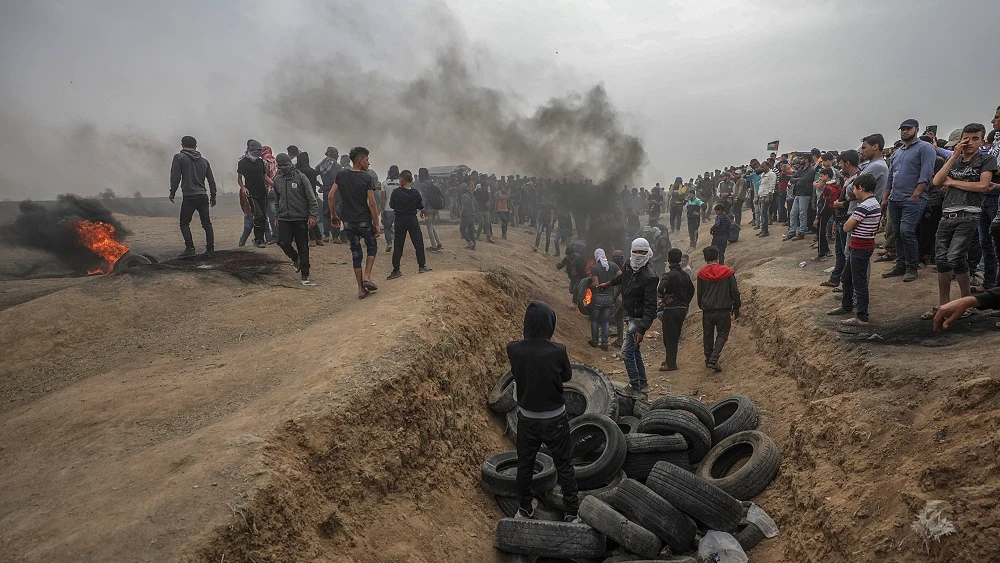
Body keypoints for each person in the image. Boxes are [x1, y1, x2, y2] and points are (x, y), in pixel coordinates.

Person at [508, 301, 580, 523]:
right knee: (564, 465)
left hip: (527, 419)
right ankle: (571, 513)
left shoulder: (513, 348)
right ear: (549, 323)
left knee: (525, 465)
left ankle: (524, 509)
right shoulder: (558, 351)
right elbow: (567, 376)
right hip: (555, 419)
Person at [925, 124, 997, 320]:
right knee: (941, 260)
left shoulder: (986, 159)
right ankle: (944, 304)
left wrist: (953, 182)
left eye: (975, 138)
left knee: (956, 257)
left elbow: (982, 186)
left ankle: (965, 301)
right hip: (947, 214)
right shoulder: (954, 160)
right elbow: (937, 181)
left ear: (982, 141)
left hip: (969, 214)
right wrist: (955, 155)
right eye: (967, 138)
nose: (970, 142)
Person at [597, 238, 658, 398]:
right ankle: (642, 384)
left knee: (626, 352)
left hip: (638, 319)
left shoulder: (650, 276)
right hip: (630, 315)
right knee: (634, 350)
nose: (638, 255)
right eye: (636, 252)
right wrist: (608, 284)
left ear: (647, 253)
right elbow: (623, 277)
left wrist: (642, 329)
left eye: (642, 252)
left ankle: (634, 387)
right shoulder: (629, 264)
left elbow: (651, 307)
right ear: (631, 251)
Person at [884, 119, 936, 282]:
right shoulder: (898, 151)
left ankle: (912, 267)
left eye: (908, 129)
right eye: (903, 129)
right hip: (895, 198)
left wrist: (917, 194)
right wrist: (885, 197)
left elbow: (926, 172)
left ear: (917, 129)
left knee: (907, 231)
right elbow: (891, 176)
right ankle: (900, 265)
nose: (905, 132)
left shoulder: (925, 148)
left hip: (913, 198)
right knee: (897, 233)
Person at [828, 174, 881, 326]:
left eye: (855, 189)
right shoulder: (874, 203)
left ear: (861, 188)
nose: (853, 193)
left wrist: (851, 224)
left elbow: (847, 227)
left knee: (859, 281)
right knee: (847, 277)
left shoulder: (864, 206)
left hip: (860, 246)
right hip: (862, 245)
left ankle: (862, 317)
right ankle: (846, 306)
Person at [329, 147, 381, 300]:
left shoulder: (341, 175)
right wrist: (377, 224)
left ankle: (360, 289)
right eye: (367, 160)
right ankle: (367, 276)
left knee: (356, 253)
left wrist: (333, 215)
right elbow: (372, 203)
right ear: (360, 161)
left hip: (348, 222)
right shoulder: (367, 178)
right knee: (372, 246)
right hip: (364, 220)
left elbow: (331, 196)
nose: (368, 163)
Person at [272, 153, 320, 286]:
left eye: (285, 165)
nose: (282, 167)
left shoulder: (301, 178)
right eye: (279, 165)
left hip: (300, 218)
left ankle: (305, 275)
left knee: (303, 246)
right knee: (282, 242)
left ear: (290, 164)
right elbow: (277, 200)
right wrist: (276, 215)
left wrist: (312, 216)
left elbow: (312, 198)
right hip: (284, 218)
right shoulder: (277, 179)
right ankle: (295, 258)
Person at [169, 135, 217, 258]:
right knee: (207, 223)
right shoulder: (204, 161)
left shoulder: (179, 157)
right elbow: (211, 180)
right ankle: (210, 249)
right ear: (195, 146)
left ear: (182, 145)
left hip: (189, 196)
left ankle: (190, 248)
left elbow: (175, 177)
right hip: (203, 195)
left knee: (184, 223)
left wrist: (172, 191)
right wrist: (213, 195)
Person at [696, 245, 741, 371]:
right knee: (722, 334)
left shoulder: (701, 274)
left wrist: (702, 306)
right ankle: (714, 359)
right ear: (718, 256)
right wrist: (736, 306)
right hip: (723, 310)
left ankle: (708, 359)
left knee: (708, 335)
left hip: (707, 310)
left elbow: (699, 294)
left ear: (705, 259)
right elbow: (734, 291)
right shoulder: (727, 272)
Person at [387, 170, 433, 280]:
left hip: (400, 220)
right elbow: (420, 205)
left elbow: (392, 205)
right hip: (412, 219)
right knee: (418, 243)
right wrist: (423, 211)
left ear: (402, 180)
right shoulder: (415, 193)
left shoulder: (396, 192)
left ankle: (396, 269)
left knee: (398, 245)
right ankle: (422, 266)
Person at [658, 248, 694, 372]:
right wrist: (685, 303)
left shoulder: (668, 275)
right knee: (675, 335)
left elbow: (660, 288)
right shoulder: (685, 275)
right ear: (679, 260)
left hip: (671, 309)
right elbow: (692, 290)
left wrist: (664, 297)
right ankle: (669, 359)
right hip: (682, 309)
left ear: (668, 260)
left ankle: (671, 364)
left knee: (669, 337)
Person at [287, 145, 324, 246]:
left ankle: (312, 239)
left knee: (305, 218)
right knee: (312, 216)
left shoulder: (297, 171)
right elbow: (315, 182)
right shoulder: (312, 171)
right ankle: (319, 238)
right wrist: (320, 185)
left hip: (301, 196)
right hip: (313, 195)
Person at [237, 139, 271, 248]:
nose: (259, 152)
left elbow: (264, 176)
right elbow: (239, 178)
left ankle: (260, 238)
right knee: (258, 215)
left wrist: (275, 184)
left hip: (262, 192)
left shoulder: (260, 162)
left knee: (263, 216)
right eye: (257, 150)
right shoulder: (242, 162)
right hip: (251, 193)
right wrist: (243, 188)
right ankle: (258, 239)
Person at [588, 248, 619, 351]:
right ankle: (605, 343)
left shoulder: (594, 268)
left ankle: (595, 342)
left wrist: (588, 286)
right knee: (606, 321)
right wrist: (612, 283)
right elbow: (621, 275)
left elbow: (596, 284)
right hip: (609, 298)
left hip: (598, 298)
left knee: (595, 320)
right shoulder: (613, 265)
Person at [813, 167, 841, 261]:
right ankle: (826, 250)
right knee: (822, 229)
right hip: (832, 209)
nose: (820, 178)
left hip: (825, 210)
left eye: (821, 176)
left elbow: (824, 203)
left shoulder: (828, 188)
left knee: (820, 230)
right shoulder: (835, 185)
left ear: (826, 176)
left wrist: (818, 216)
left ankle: (821, 254)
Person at [316, 147, 342, 243]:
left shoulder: (321, 165)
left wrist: (320, 185)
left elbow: (312, 174)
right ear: (334, 154)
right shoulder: (337, 166)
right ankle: (335, 237)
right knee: (335, 213)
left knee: (326, 213)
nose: (338, 156)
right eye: (337, 154)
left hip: (326, 191)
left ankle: (326, 236)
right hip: (336, 192)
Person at [416, 168, 444, 251]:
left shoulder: (423, 185)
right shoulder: (432, 183)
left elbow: (424, 198)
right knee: (432, 226)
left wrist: (422, 209)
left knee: (429, 227)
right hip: (436, 207)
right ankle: (439, 243)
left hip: (429, 208)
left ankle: (434, 245)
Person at [556, 245, 588, 310]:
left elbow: (584, 270)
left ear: (573, 254)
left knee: (575, 289)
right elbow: (562, 264)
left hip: (580, 277)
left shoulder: (579, 259)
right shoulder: (566, 259)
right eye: (567, 255)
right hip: (573, 277)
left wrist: (578, 273)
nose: (568, 257)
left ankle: (574, 303)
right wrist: (558, 266)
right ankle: (580, 294)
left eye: (569, 255)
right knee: (571, 290)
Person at [382, 165, 401, 251]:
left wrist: (382, 209)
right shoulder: (401, 183)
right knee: (398, 228)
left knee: (387, 227)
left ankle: (389, 243)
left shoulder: (385, 183)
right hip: (399, 209)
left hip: (388, 208)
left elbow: (383, 198)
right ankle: (398, 245)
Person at [756, 162, 776, 237]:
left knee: (764, 214)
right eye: (761, 167)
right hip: (761, 195)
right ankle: (763, 230)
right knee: (762, 214)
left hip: (766, 196)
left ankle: (765, 231)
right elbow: (761, 186)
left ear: (768, 166)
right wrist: (758, 196)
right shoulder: (762, 175)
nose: (762, 168)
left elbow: (772, 186)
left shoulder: (771, 174)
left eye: (763, 167)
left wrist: (768, 196)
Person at [459, 181, 478, 250]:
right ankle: (473, 246)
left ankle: (470, 243)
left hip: (466, 215)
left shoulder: (464, 196)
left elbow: (465, 205)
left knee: (462, 229)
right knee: (471, 231)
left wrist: (462, 212)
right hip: (472, 215)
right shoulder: (472, 195)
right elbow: (476, 205)